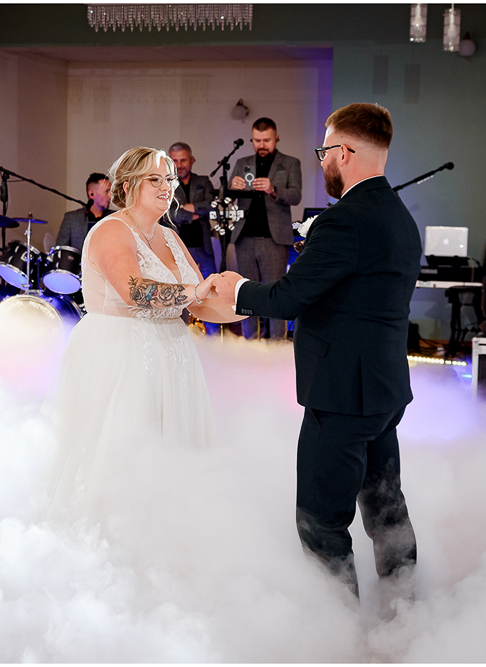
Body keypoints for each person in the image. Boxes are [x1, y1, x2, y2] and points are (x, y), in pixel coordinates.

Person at [213, 103, 422, 600]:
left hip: (341, 393)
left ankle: (336, 630)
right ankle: (406, 614)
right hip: (383, 389)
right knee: (386, 510)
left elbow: (288, 298)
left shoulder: (344, 220)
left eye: (324, 150)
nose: (322, 159)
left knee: (321, 520)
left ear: (343, 153)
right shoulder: (399, 216)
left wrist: (236, 288)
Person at [47, 147, 243, 519]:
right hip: (123, 355)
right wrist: (196, 291)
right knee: (126, 456)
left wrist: (252, 300)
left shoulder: (170, 236)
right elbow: (135, 291)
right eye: (155, 179)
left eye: (169, 179)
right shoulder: (111, 230)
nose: (167, 186)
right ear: (127, 185)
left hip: (173, 355)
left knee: (171, 453)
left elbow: (201, 304)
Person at [228, 117, 302, 341]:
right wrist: (233, 187)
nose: (261, 145)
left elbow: (296, 196)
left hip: (274, 239)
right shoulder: (242, 162)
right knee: (246, 294)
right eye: (257, 140)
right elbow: (228, 195)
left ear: (276, 138)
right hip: (245, 237)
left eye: (266, 140)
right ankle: (251, 344)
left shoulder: (290, 163)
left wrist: (273, 189)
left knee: (276, 294)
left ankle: (277, 344)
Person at [168, 142, 220, 335]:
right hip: (177, 250)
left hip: (203, 248)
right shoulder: (167, 184)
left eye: (183, 160)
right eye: (174, 161)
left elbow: (213, 206)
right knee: (179, 295)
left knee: (211, 295)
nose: (179, 165)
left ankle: (214, 340)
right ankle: (181, 339)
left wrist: (187, 208)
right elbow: (169, 213)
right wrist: (195, 213)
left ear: (192, 160)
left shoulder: (203, 181)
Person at [55, 172, 114, 250]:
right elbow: (61, 251)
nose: (110, 196)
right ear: (91, 194)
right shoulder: (71, 218)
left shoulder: (114, 218)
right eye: (107, 191)